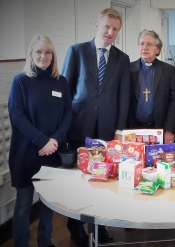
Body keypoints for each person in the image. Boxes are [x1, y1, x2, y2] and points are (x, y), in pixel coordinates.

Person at [61, 8, 131, 246]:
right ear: (97, 25)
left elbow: (123, 97)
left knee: (103, 181)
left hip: (106, 132)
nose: (110, 32)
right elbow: (65, 92)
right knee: (80, 181)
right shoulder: (77, 51)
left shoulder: (122, 59)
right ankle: (75, 224)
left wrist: (119, 131)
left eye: (115, 29)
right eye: (106, 27)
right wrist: (63, 128)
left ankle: (99, 226)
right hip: (78, 128)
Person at [8, 35, 72, 247]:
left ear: (53, 56)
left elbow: (67, 114)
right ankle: (21, 243)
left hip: (52, 154)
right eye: (38, 52)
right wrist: (42, 141)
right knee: (24, 204)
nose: (43, 56)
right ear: (31, 55)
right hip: (25, 154)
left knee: (47, 203)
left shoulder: (60, 82)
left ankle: (45, 241)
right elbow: (17, 116)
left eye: (48, 52)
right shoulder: (20, 81)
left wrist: (55, 139)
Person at [128, 29, 175, 143]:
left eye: (149, 44)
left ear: (158, 49)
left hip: (160, 128)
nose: (144, 47)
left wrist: (169, 129)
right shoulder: (128, 69)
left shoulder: (169, 70)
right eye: (141, 44)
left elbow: (174, 101)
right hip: (133, 128)